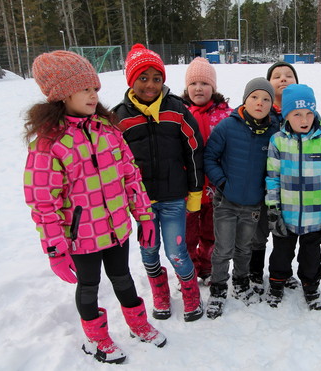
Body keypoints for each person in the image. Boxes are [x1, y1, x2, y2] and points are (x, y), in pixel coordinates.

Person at [23, 51, 166, 364]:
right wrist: (55, 248)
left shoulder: (107, 129)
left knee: (123, 278)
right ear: (62, 94)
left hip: (116, 228)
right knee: (89, 287)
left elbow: (131, 175)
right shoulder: (49, 143)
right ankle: (97, 339)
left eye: (95, 89)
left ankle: (138, 323)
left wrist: (145, 216)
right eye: (85, 88)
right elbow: (42, 200)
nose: (93, 94)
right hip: (81, 237)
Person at [113, 44, 204, 322]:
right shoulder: (119, 117)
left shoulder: (177, 109)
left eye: (156, 78)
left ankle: (190, 293)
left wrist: (195, 192)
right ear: (131, 81)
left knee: (176, 250)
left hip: (174, 197)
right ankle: (160, 293)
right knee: (149, 251)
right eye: (143, 78)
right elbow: (114, 163)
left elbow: (194, 150)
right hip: (141, 203)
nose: (150, 85)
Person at [265, 84, 321, 311]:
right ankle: (277, 283)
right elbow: (272, 177)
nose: (304, 119)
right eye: (297, 114)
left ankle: (311, 287)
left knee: (311, 258)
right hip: (286, 213)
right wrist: (273, 208)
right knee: (280, 254)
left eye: (309, 113)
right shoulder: (278, 141)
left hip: (316, 215)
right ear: (286, 115)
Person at [204, 77, 276, 319]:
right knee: (223, 248)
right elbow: (209, 158)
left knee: (245, 248)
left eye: (266, 99)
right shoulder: (228, 127)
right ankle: (218, 287)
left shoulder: (273, 132)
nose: (260, 103)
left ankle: (241, 282)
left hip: (254, 203)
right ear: (246, 99)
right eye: (255, 97)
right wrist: (223, 182)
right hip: (226, 201)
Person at [248, 61, 300, 295]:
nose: (283, 79)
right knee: (259, 232)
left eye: (289, 75)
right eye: (277, 76)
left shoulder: (304, 114)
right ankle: (255, 272)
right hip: (262, 184)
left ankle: (284, 271)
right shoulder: (260, 110)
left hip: (292, 188)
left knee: (286, 233)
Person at [182, 57, 233, 286]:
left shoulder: (226, 115)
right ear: (187, 88)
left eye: (204, 83)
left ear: (213, 87)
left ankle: (208, 266)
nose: (198, 88)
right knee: (188, 234)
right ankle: (189, 270)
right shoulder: (177, 113)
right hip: (188, 188)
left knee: (212, 232)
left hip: (215, 188)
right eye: (193, 84)